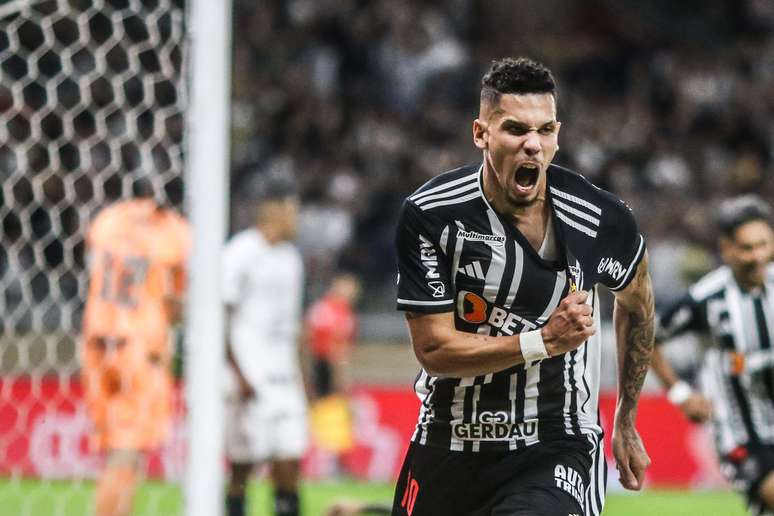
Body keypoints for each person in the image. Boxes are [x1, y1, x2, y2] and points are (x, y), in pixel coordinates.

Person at [392, 57, 655, 516]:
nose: (533, 145)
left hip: (554, 442)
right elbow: (433, 350)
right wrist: (543, 341)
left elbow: (639, 303)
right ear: (481, 134)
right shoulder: (432, 214)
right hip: (447, 439)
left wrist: (626, 417)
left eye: (546, 130)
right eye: (515, 129)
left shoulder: (599, 218)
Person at [650, 195, 774, 516]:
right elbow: (646, 336)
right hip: (739, 429)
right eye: (747, 248)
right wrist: (679, 393)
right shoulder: (708, 298)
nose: (757, 256)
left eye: (763, 245)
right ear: (727, 249)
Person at [81, 177, 189, 516]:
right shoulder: (174, 231)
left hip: (97, 338)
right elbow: (176, 300)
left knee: (115, 449)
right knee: (129, 452)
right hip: (141, 345)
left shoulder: (107, 221)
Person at [223, 172, 307, 516]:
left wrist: (303, 376)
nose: (296, 218)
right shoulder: (240, 251)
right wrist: (236, 373)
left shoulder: (291, 258)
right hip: (247, 372)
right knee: (243, 465)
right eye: (293, 210)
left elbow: (292, 326)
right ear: (274, 211)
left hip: (283, 374)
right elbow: (220, 316)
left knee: (289, 459)